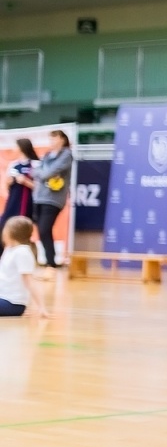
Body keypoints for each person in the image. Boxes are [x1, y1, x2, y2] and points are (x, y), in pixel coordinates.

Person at [31, 130, 73, 270]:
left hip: (53, 199)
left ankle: (51, 262)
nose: (52, 142)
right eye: (50, 139)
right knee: (42, 230)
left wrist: (42, 172)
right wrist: (42, 172)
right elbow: (35, 172)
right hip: (39, 197)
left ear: (62, 139)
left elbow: (45, 173)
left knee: (44, 228)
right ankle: (50, 261)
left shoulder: (66, 154)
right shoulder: (48, 155)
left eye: (54, 138)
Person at [0, 217, 48, 318]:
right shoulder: (9, 249)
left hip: (12, 303)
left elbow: (30, 281)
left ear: (11, 232)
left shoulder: (22, 252)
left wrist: (41, 307)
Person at [1, 137, 37, 234]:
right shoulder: (13, 165)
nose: (14, 149)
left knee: (21, 230)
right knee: (4, 225)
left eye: (16, 146)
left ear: (22, 148)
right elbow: (7, 185)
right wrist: (10, 181)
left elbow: (39, 187)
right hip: (13, 201)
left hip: (27, 203)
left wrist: (25, 181)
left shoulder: (35, 164)